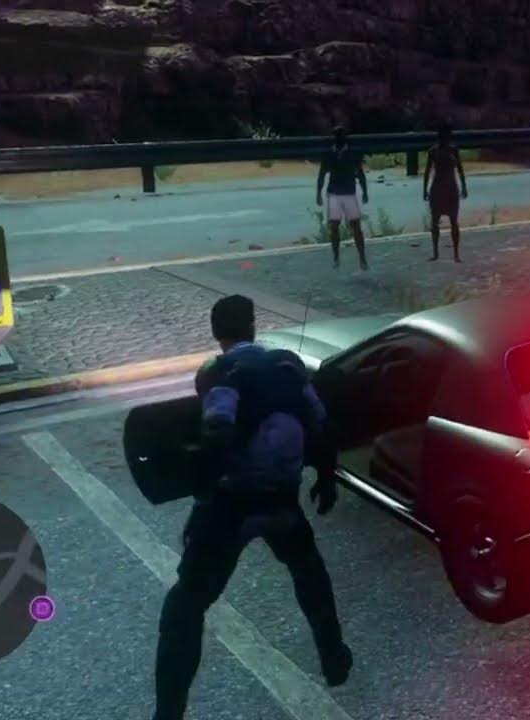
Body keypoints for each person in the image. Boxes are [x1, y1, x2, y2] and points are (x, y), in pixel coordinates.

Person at [153, 295, 351, 720]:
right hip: (283, 498)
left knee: (186, 604)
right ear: (252, 327)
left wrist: (204, 493)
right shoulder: (286, 365)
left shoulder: (219, 372)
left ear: (216, 332)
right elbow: (321, 423)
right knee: (308, 571)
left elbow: (218, 427)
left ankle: (168, 711)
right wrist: (327, 478)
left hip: (233, 506)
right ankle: (333, 653)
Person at [316, 127, 369, 270]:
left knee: (355, 226)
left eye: (341, 135)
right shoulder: (329, 153)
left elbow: (360, 173)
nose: (339, 138)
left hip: (349, 193)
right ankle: (336, 257)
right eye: (337, 136)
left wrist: (365, 192)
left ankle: (362, 257)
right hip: (334, 193)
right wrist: (318, 193)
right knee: (334, 226)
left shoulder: (351, 153)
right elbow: (322, 174)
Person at [422, 122, 468, 262]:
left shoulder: (454, 150)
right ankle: (436, 253)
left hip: (450, 188)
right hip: (438, 188)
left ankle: (456, 253)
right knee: (435, 221)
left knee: (453, 221)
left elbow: (460, 169)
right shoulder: (433, 151)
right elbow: (427, 172)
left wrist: (464, 187)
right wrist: (424, 189)